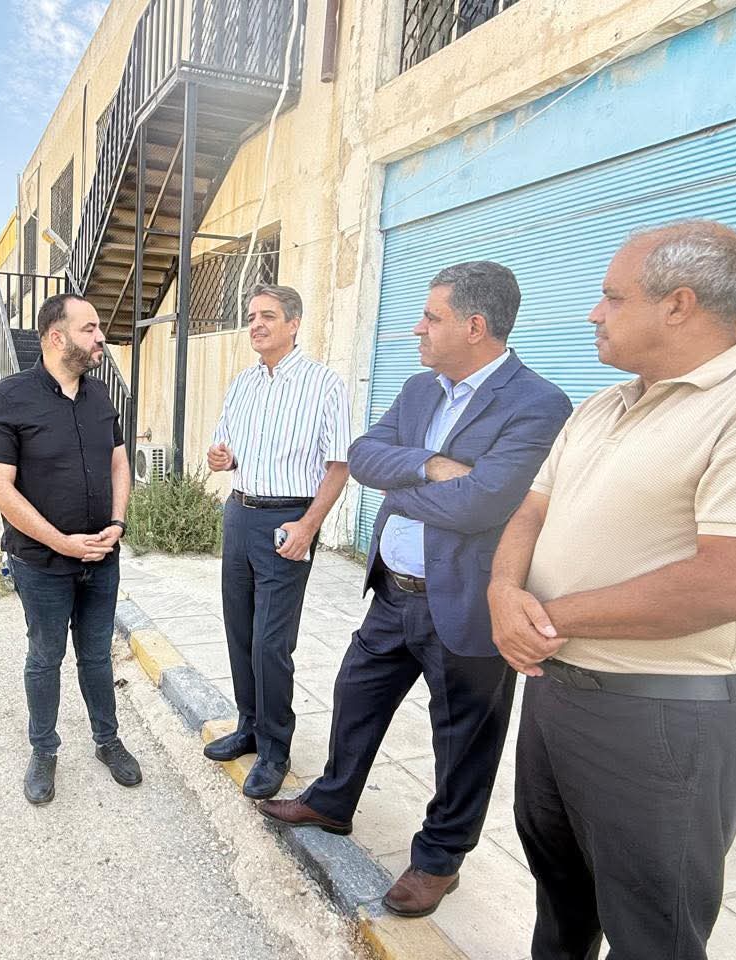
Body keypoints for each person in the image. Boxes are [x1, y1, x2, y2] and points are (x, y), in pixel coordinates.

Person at [489, 221, 736, 959]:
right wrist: (501, 590)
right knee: (560, 909)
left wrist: (543, 618)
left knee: (653, 934)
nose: (594, 313)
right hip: (558, 692)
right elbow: (531, 509)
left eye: (613, 297)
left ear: (678, 304)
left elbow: (733, 581)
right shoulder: (603, 404)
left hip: (664, 720)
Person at [260, 262, 572, 918]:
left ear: (475, 326)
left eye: (432, 317)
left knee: (463, 741)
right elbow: (363, 455)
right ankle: (333, 801)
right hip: (392, 592)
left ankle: (439, 859)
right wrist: (429, 465)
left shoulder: (538, 403)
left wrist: (404, 491)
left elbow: (485, 503)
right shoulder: (419, 388)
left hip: (465, 603)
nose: (417, 329)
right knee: (355, 697)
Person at [0, 292, 142, 805]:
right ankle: (44, 749)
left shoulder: (100, 396)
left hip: (102, 558)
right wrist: (62, 543)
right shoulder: (10, 397)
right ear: (56, 337)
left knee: (96, 656)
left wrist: (117, 522)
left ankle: (107, 741)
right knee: (45, 658)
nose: (100, 337)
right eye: (89, 328)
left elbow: (119, 461)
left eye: (98, 329)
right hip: (42, 563)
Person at [202, 283, 351, 800]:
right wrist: (221, 459)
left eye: (267, 315)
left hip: (289, 519)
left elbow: (339, 465)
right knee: (240, 630)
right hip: (239, 512)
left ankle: (274, 749)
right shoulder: (242, 384)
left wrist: (307, 526)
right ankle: (248, 727)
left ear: (294, 323)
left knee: (271, 641)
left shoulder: (324, 384)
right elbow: (225, 450)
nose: (256, 324)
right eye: (251, 317)